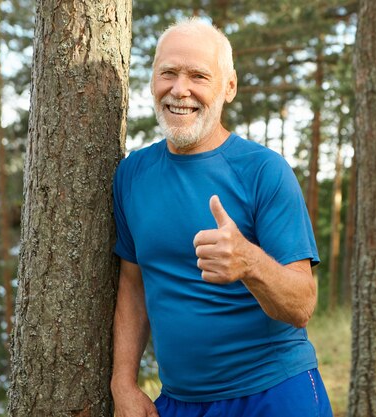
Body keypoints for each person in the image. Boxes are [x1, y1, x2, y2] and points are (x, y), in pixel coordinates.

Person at [110, 17, 333, 417]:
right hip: (178, 402)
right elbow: (133, 283)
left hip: (273, 394)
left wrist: (249, 262)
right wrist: (123, 382)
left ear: (229, 87)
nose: (180, 90)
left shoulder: (264, 171)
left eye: (198, 75)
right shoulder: (131, 175)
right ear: (151, 80)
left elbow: (302, 305)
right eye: (169, 73)